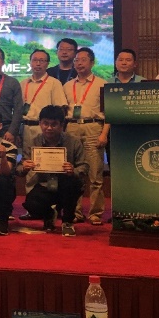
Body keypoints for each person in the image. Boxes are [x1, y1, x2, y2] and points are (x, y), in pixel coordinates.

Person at [17, 105, 88, 237]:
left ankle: (67, 222)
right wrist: (24, 167)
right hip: (44, 184)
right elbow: (19, 169)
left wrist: (73, 170)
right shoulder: (33, 142)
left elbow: (84, 166)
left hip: (66, 184)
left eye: (54, 124)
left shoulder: (73, 142)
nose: (49, 128)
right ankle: (49, 215)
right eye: (45, 123)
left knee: (72, 185)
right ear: (40, 123)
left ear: (62, 125)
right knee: (30, 204)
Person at [63, 47, 109, 225]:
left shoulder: (102, 84)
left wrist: (104, 134)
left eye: (83, 60)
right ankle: (75, 212)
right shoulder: (67, 86)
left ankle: (95, 213)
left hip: (93, 127)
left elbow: (109, 113)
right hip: (72, 128)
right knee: (74, 173)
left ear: (92, 62)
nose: (79, 63)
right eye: (76, 60)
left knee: (95, 174)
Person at [19, 49, 68, 202]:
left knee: (48, 165)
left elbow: (60, 109)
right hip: (26, 127)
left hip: (47, 130)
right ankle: (31, 203)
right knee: (29, 164)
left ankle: (51, 203)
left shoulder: (54, 83)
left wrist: (56, 130)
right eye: (35, 60)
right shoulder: (23, 83)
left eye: (42, 60)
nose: (38, 63)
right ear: (30, 62)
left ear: (47, 64)